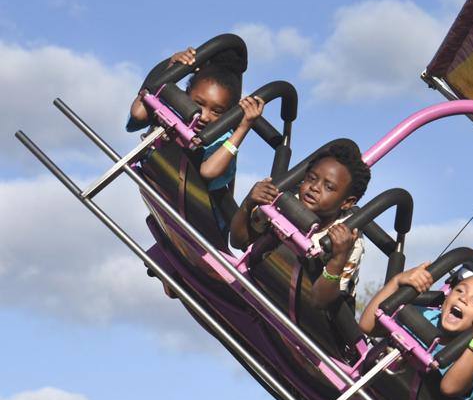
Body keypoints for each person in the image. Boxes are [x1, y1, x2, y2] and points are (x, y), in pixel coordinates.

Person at [128, 46, 265, 230]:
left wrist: (243, 128)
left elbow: (209, 172)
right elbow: (138, 114)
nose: (204, 115)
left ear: (227, 115)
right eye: (198, 104)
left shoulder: (222, 137)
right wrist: (170, 69)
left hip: (202, 219)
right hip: (164, 188)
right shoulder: (173, 109)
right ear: (186, 94)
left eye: (217, 111)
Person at [229, 141, 371, 309]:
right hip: (266, 283)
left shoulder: (347, 238)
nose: (315, 188)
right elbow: (239, 242)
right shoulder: (287, 199)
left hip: (312, 314)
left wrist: (338, 258)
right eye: (311, 178)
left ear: (347, 202)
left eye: (328, 187)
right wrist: (248, 203)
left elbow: (320, 303)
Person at [359, 262, 473, 400]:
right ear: (446, 299)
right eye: (460, 290)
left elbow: (450, 387)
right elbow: (367, 326)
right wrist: (397, 282)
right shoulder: (423, 316)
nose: (463, 299)